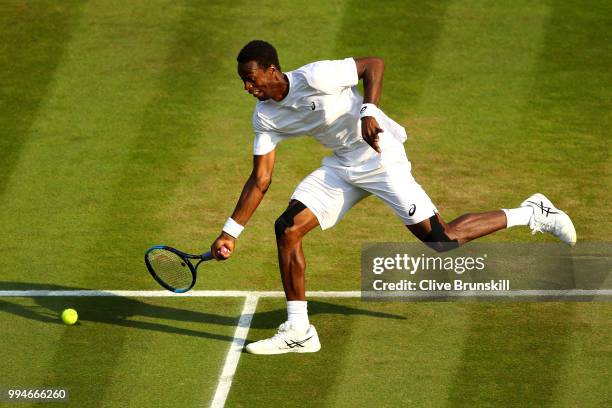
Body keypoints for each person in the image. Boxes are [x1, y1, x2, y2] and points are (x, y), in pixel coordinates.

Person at [209, 40, 576, 355]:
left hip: (380, 154)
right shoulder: (265, 117)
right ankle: (299, 331)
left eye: (250, 78)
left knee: (442, 239)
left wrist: (368, 110)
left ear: (272, 70)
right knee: (287, 227)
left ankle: (532, 212)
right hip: (342, 166)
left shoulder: (316, 76)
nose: (247, 87)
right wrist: (230, 232)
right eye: (243, 80)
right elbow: (261, 178)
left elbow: (373, 65)